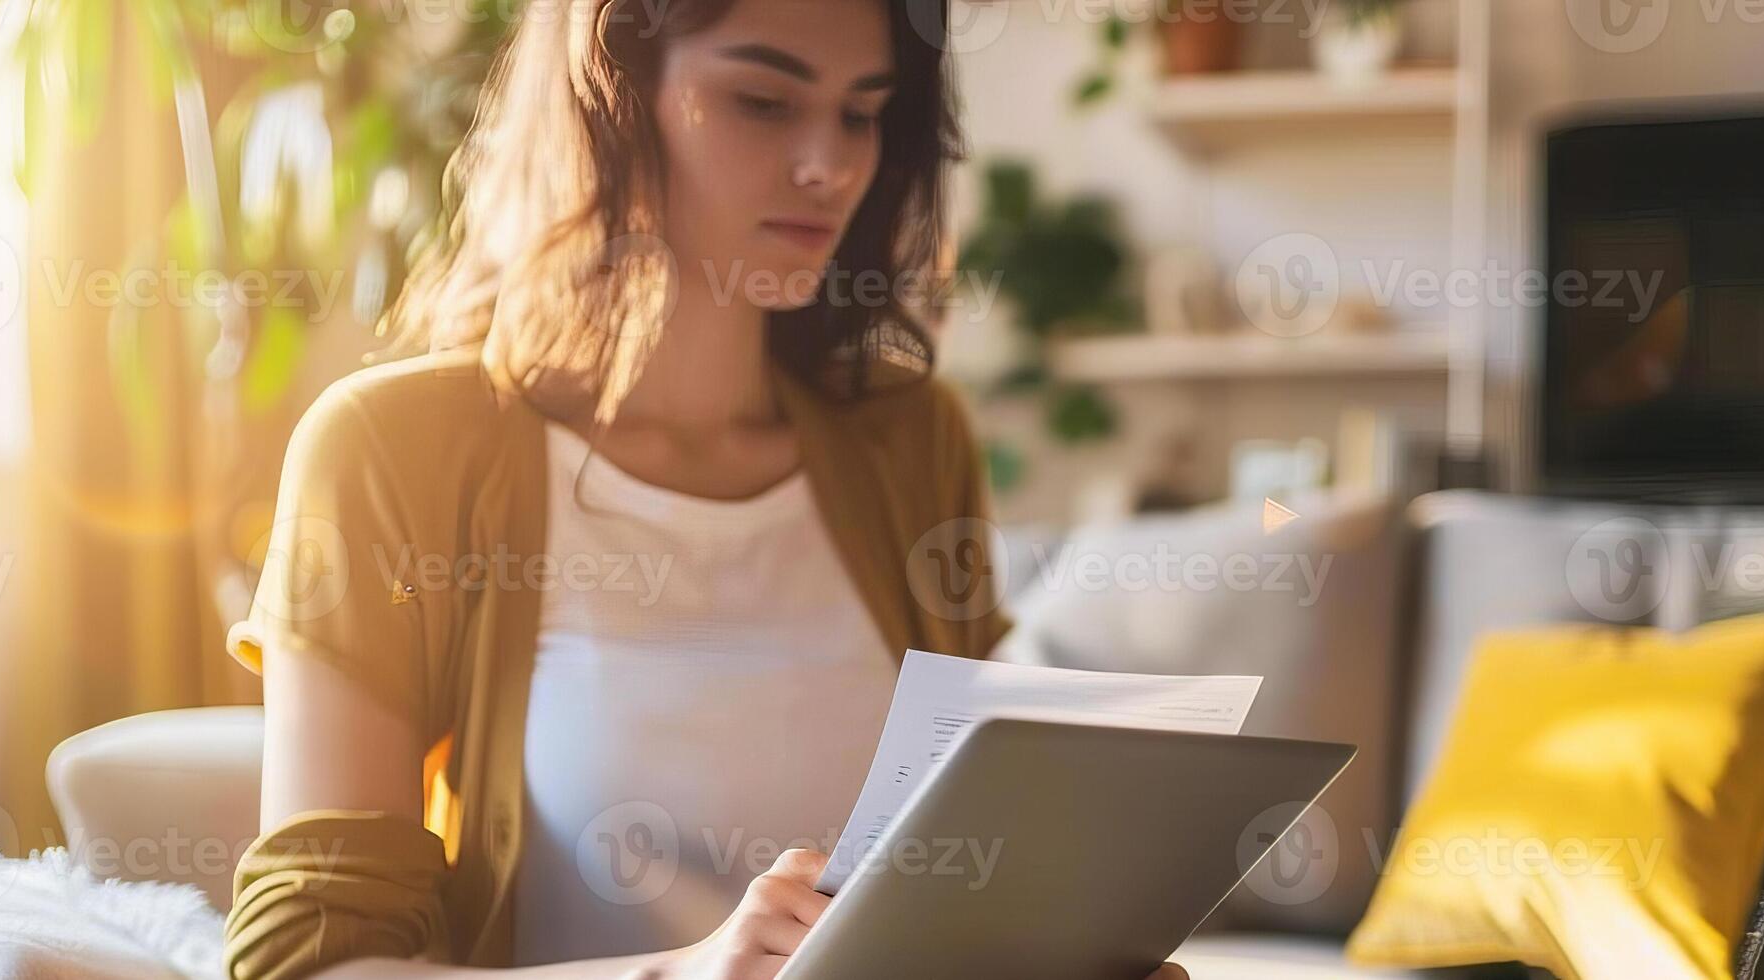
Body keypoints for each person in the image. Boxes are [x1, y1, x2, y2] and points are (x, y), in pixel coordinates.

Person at [219, 0, 1190, 978]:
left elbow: (987, 866)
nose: (831, 164)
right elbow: (307, 964)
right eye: (763, 101)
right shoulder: (390, 451)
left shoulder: (908, 437)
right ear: (612, 102)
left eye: (863, 112)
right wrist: (679, 972)